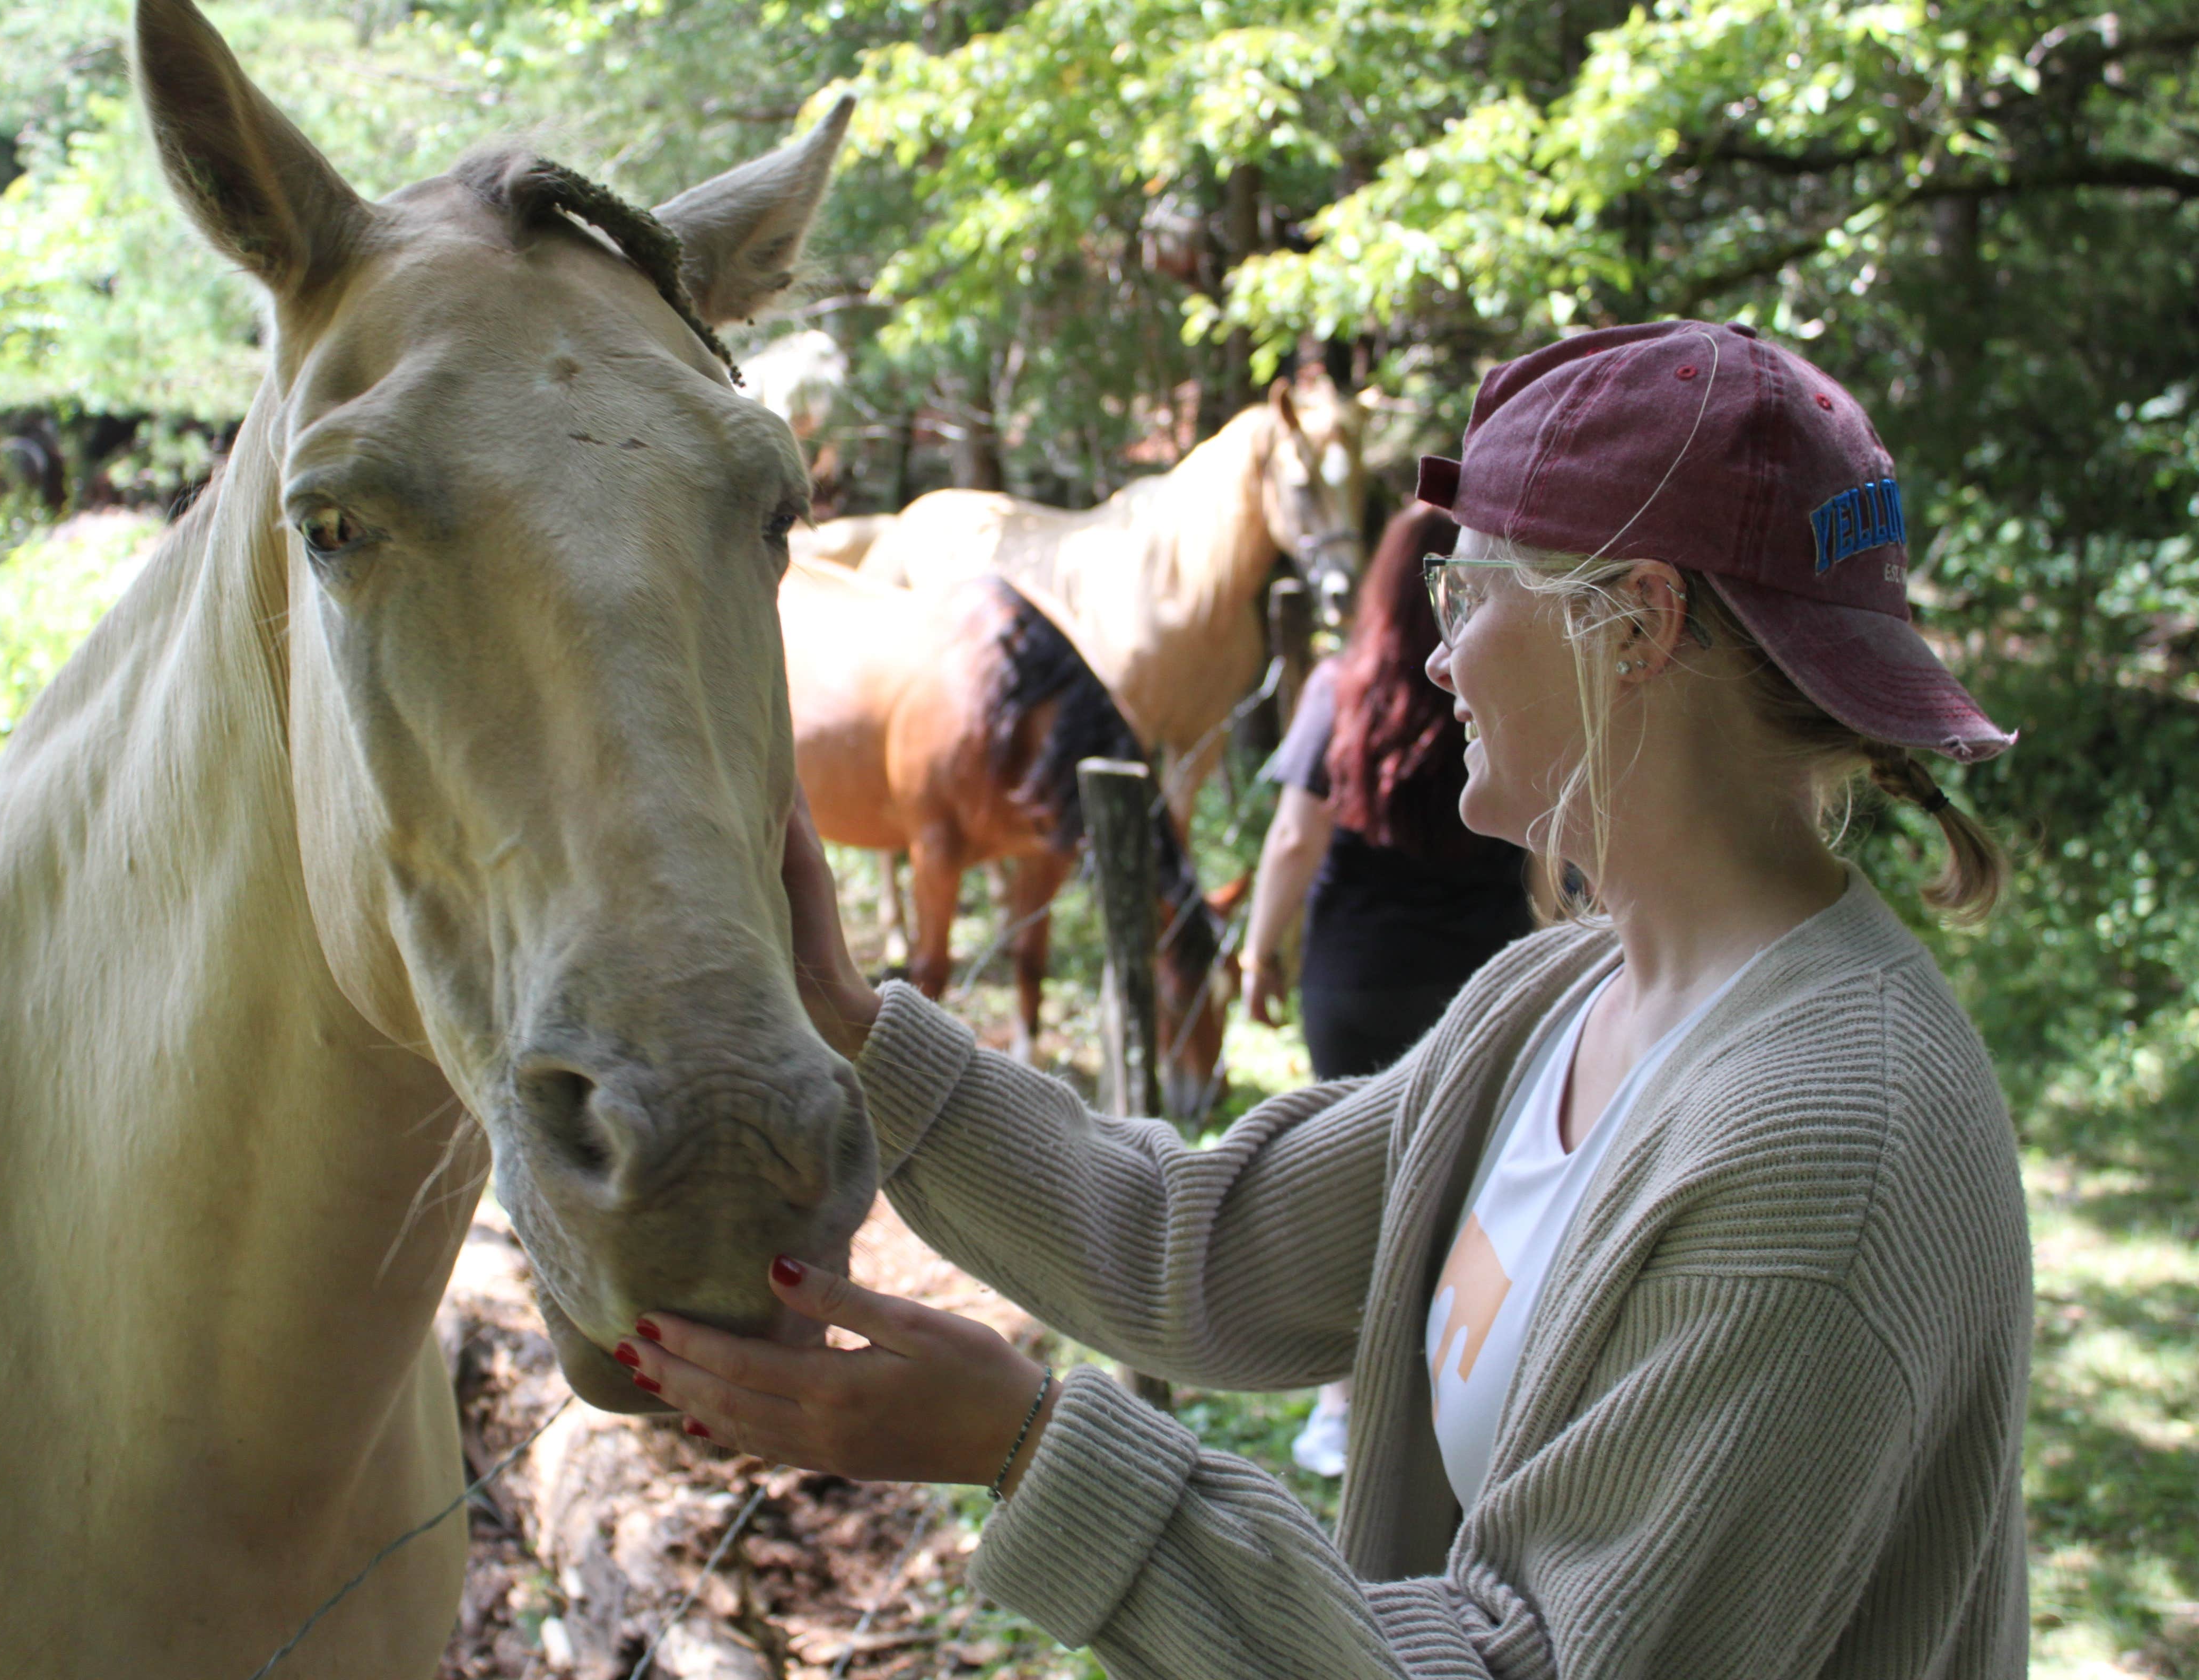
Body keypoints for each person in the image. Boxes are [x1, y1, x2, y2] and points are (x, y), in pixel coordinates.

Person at [614, 320, 2032, 1678]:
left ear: (1637, 627)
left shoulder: (1827, 1148)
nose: (1433, 657)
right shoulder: (1563, 995)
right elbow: (1201, 1247)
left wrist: (1031, 1452)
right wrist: (856, 1026)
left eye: (1471, 597)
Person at [1241, 501, 1532, 1473]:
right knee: (1473, 1196)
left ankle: (1339, 1404)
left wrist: (1257, 954)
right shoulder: (1512, 693)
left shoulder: (1343, 687)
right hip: (1485, 981)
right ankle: (1462, 1400)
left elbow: (1294, 836)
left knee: (1354, 1189)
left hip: (1356, 976)